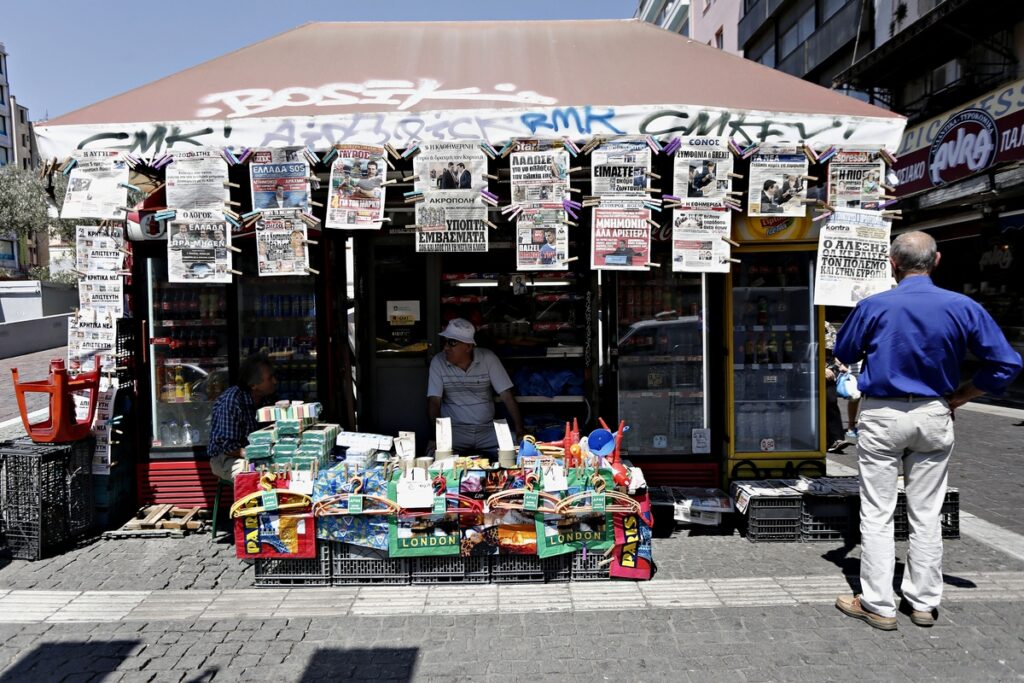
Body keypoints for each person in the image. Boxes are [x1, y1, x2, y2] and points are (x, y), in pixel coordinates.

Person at [833, 231, 1021, 630]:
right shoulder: (962, 306)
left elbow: (845, 353)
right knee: (926, 512)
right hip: (935, 411)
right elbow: (1006, 364)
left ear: (892, 263)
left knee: (878, 512)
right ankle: (922, 602)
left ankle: (878, 603)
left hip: (882, 414)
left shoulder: (874, 305)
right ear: (936, 262)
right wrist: (963, 395)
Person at [427, 318, 524, 456]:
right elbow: (434, 402)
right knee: (433, 458)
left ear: (468, 346)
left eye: (452, 342)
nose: (446, 347)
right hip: (454, 431)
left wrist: (520, 431)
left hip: (488, 429)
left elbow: (507, 396)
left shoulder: (488, 358)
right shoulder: (438, 361)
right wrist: (436, 436)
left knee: (522, 451)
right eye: (445, 342)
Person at [208, 356, 278, 480]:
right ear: (253, 385)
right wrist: (258, 455)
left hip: (256, 453)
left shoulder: (266, 399)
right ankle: (254, 499)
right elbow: (228, 447)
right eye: (270, 378)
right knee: (254, 475)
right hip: (227, 458)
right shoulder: (232, 401)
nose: (274, 381)